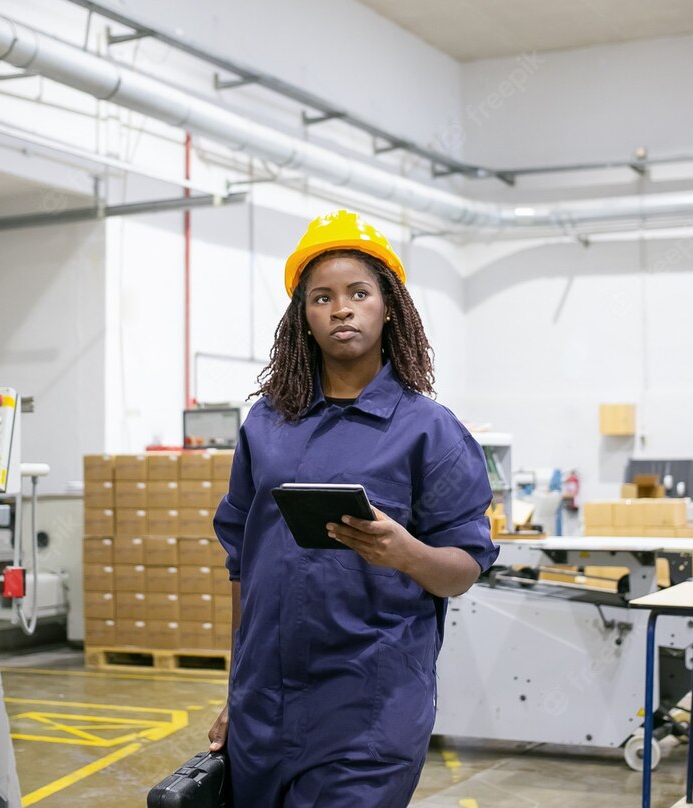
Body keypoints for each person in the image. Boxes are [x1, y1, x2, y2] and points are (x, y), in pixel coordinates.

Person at [210, 210, 499, 807]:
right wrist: (236, 691)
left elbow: (465, 568)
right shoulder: (266, 425)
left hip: (371, 703)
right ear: (304, 319)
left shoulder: (428, 431)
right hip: (266, 702)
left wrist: (407, 553)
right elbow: (243, 563)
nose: (341, 308)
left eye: (358, 293)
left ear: (388, 305)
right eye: (322, 297)